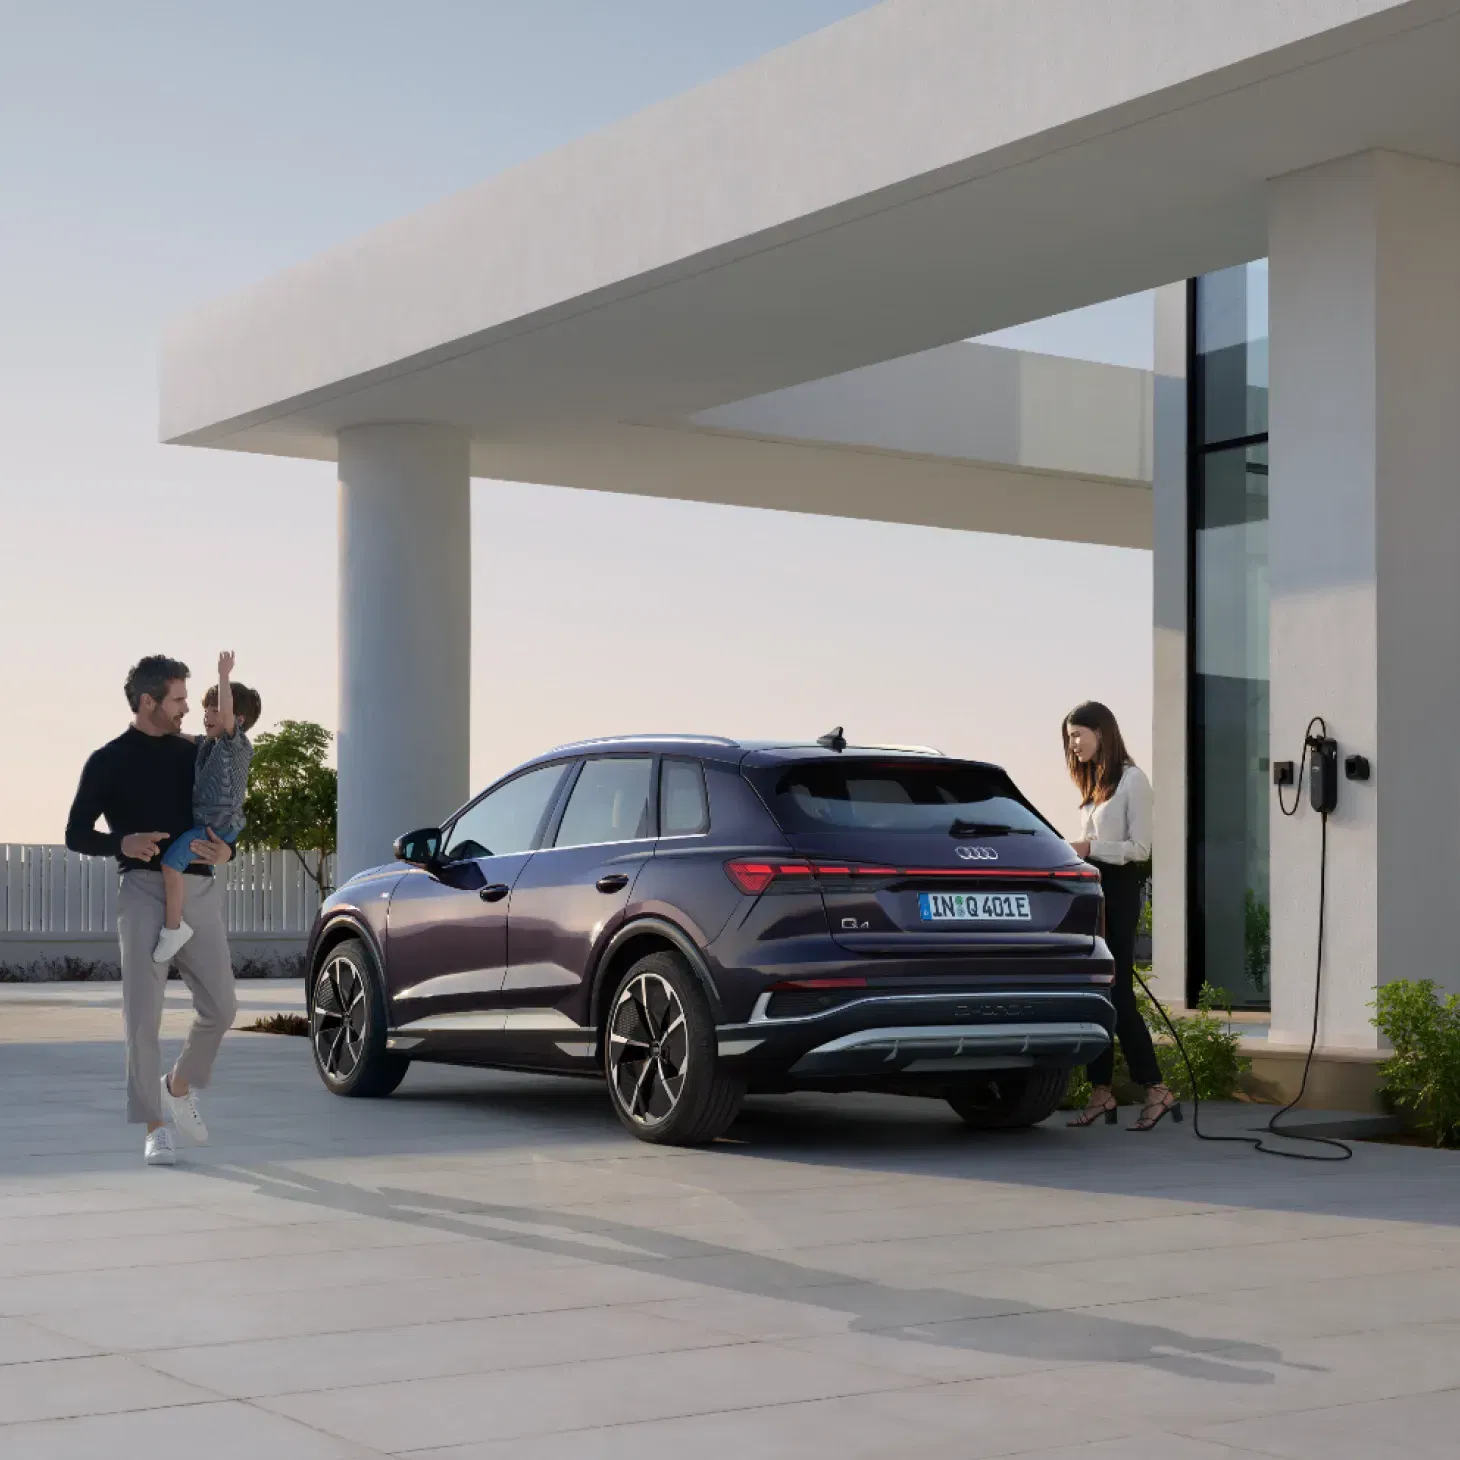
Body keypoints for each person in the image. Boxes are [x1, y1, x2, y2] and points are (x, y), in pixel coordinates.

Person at [65, 655, 238, 1167]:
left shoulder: (196, 753)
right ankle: (154, 1126)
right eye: (179, 699)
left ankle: (178, 1085)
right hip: (141, 893)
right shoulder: (107, 760)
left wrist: (229, 850)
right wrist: (124, 841)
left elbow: (226, 808)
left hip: (199, 890)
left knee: (223, 1008)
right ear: (148, 702)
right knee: (143, 1019)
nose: (188, 708)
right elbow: (75, 834)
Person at [1060, 701, 1180, 1133]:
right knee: (1096, 993)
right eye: (1069, 737)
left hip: (1121, 893)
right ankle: (1101, 1091)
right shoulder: (1096, 786)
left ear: (1102, 732)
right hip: (1094, 897)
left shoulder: (1134, 782)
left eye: (1078, 735)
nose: (1072, 745)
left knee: (1119, 993)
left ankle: (1156, 1089)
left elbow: (1141, 849)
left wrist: (1091, 849)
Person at [153, 651, 261, 964]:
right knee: (190, 872)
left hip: (216, 826)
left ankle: (174, 929)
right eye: (206, 709)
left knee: (170, 866)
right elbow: (183, 736)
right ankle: (185, 925)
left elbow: (226, 715)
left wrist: (223, 675)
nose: (207, 715)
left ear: (236, 719)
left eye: (214, 710)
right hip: (214, 827)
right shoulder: (209, 745)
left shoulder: (234, 744)